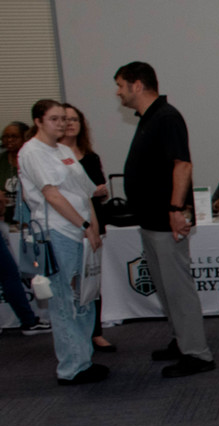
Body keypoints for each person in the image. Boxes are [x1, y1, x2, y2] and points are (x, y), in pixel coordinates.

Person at [115, 61, 215, 378]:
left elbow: (182, 165)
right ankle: (181, 341)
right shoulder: (149, 118)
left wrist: (175, 210)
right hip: (150, 220)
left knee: (178, 288)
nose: (118, 93)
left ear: (137, 85)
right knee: (164, 287)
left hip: (165, 219)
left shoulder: (166, 117)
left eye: (120, 85)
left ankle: (197, 353)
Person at [18, 99, 106, 384]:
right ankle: (71, 368)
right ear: (39, 121)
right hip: (56, 233)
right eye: (54, 119)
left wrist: (92, 226)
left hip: (80, 233)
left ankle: (85, 358)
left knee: (84, 298)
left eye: (64, 119)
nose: (62, 123)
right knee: (64, 302)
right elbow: (52, 195)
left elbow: (85, 193)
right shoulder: (32, 151)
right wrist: (81, 224)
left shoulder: (65, 150)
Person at [61, 103, 115, 353]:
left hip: (93, 221)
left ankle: (95, 333)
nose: (70, 124)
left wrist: (99, 192)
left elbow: (98, 190)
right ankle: (76, 335)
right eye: (65, 119)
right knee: (71, 285)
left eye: (75, 119)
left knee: (92, 279)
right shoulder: (54, 156)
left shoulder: (90, 157)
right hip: (69, 225)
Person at [1, 120, 51, 336]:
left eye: (14, 136)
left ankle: (29, 320)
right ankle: (29, 321)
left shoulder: (29, 159)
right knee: (9, 273)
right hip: (9, 222)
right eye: (6, 137)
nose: (8, 141)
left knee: (10, 273)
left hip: (24, 222)